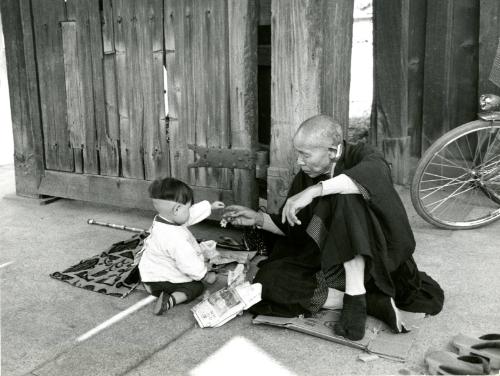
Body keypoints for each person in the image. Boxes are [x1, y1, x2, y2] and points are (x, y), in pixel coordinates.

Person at [223, 114, 444, 341]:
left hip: (374, 262)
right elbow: (296, 231)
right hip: (330, 264)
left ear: (331, 151)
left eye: (305, 155)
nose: (299, 161)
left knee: (348, 196)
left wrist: (315, 190)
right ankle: (364, 301)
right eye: (298, 154)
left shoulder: (364, 156)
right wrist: (259, 220)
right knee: (267, 283)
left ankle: (357, 292)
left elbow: (373, 175)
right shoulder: (306, 175)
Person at [138, 177, 224, 315]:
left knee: (174, 270)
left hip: (150, 274)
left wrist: (209, 207)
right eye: (188, 208)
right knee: (195, 287)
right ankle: (170, 300)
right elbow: (188, 263)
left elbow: (188, 216)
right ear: (177, 209)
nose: (190, 211)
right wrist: (205, 276)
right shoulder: (176, 239)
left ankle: (150, 287)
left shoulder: (164, 219)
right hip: (162, 280)